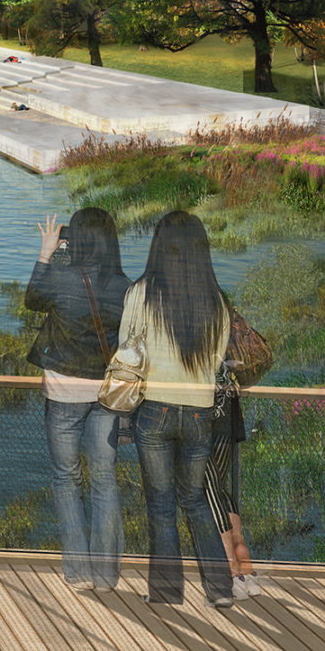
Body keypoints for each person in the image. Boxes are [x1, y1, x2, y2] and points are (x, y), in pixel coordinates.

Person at [125, 210, 235, 609]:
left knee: (161, 505)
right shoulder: (216, 301)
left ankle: (167, 593)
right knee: (195, 501)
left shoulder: (142, 293)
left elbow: (126, 351)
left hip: (153, 410)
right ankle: (221, 590)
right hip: (199, 415)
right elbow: (218, 358)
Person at [24, 208, 130, 593]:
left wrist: (48, 252)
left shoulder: (62, 278)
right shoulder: (125, 287)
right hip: (106, 397)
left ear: (75, 241)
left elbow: (33, 298)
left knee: (66, 480)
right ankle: (106, 575)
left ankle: (78, 571)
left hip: (63, 394)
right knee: (105, 480)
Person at [206, 371, 264, 599]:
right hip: (226, 401)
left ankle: (233, 572)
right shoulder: (222, 334)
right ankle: (246, 568)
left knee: (210, 488)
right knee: (217, 486)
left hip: (199, 409)